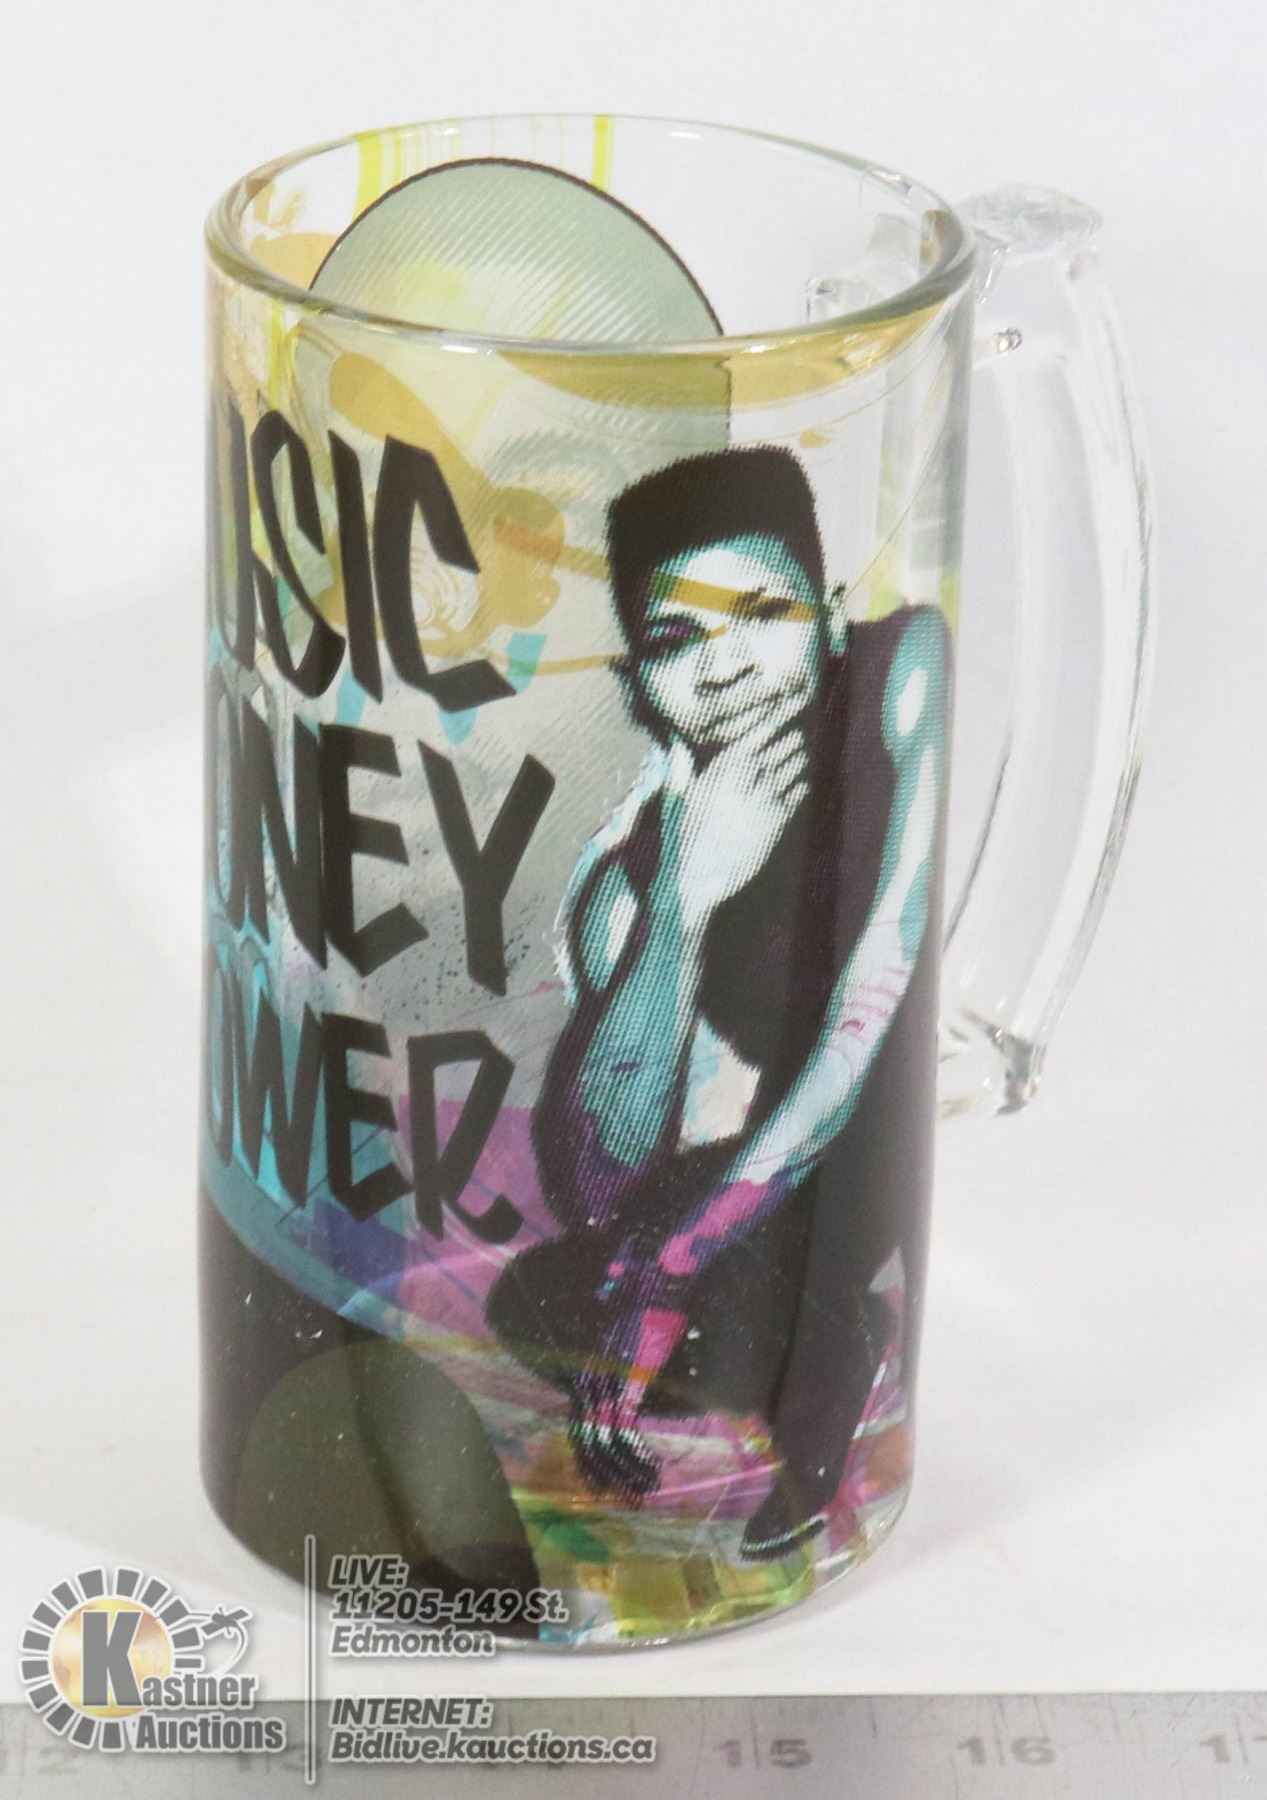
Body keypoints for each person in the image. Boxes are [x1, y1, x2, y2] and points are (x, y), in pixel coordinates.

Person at [486, 445, 950, 1560]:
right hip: (774, 1174)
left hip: (861, 1127)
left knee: (721, 1218)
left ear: (826, 618)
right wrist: (681, 908)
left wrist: (679, 1255)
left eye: (760, 614)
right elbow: (597, 1180)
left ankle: (822, 1351)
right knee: (542, 1297)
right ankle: (824, 1332)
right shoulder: (632, 875)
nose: (725, 665)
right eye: (674, 641)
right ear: (635, 682)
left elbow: (872, 997)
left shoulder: (898, 671)